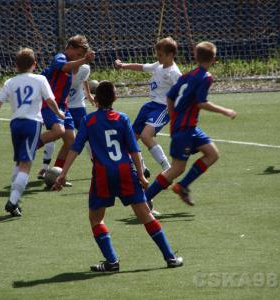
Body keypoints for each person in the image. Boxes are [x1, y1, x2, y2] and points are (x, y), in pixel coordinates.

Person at [52, 81, 183, 272]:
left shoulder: (88, 121)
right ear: (115, 98)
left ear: (95, 100)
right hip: (125, 172)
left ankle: (112, 261)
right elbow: (134, 150)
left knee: (96, 219)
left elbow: (76, 148)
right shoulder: (122, 119)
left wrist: (63, 173)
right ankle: (170, 257)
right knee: (146, 215)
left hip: (102, 175)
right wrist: (141, 176)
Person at [144, 41, 237, 206]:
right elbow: (201, 102)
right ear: (214, 58)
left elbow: (170, 97)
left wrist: (174, 119)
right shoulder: (205, 77)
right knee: (177, 169)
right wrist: (225, 111)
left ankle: (182, 186)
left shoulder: (187, 75)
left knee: (212, 154)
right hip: (185, 129)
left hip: (188, 127)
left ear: (195, 56)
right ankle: (145, 199)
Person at [0, 48, 65, 216]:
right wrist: (59, 113)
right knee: (26, 164)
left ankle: (14, 201)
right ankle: (12, 201)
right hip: (32, 123)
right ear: (34, 65)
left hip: (15, 124)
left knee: (19, 162)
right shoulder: (40, 79)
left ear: (16, 66)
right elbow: (50, 100)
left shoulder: (10, 82)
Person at [114, 37, 181, 178]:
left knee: (146, 136)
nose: (158, 57)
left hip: (163, 108)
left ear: (170, 55)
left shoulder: (174, 73)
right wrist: (123, 65)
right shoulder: (159, 65)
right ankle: (142, 168)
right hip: (150, 106)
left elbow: (182, 93)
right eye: (157, 54)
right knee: (131, 139)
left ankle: (167, 168)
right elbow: (141, 67)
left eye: (160, 54)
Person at [38, 35, 94, 183]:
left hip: (64, 107)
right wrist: (84, 60)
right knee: (58, 131)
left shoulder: (75, 66)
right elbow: (63, 67)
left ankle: (56, 175)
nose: (79, 58)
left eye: (81, 56)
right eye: (78, 54)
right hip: (50, 104)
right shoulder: (60, 57)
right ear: (69, 48)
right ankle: (29, 146)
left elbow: (79, 77)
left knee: (71, 142)